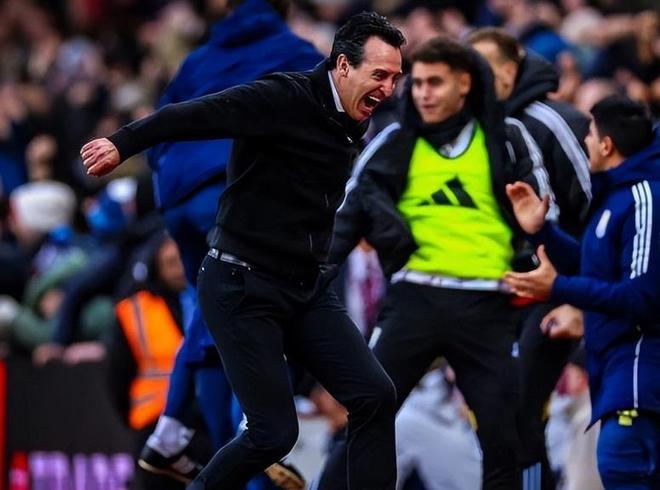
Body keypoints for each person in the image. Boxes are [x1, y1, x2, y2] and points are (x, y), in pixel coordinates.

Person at [80, 12, 406, 490]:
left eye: (396, 77)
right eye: (379, 75)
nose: (389, 89)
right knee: (273, 433)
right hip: (242, 284)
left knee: (375, 395)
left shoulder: (352, 118)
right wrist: (121, 143)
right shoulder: (283, 96)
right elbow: (195, 114)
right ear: (342, 65)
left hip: (304, 286)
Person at [318, 36, 539, 490]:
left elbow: (542, 215)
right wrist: (310, 279)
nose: (422, 93)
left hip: (487, 303)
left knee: (504, 436)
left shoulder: (506, 138)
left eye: (434, 82)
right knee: (368, 415)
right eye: (416, 83)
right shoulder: (396, 140)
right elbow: (348, 212)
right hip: (414, 297)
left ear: (464, 84)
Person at [137, 0, 322, 487]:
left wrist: (172, 184)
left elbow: (162, 120)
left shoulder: (199, 57)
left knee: (210, 310)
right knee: (263, 304)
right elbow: (323, 119)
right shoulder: (294, 50)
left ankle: (177, 434)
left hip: (178, 197)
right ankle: (248, 426)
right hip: (229, 191)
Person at [504, 95, 660, 489]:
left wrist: (557, 287)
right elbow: (592, 269)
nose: (585, 141)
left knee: (623, 469)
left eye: (590, 134)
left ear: (606, 145)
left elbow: (641, 297)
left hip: (639, 374)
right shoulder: (616, 196)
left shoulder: (644, 197)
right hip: (615, 373)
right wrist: (542, 232)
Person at [468, 27, 591, 487]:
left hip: (557, 287)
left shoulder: (552, 121)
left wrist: (579, 295)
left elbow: (596, 210)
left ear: (509, 71)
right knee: (495, 414)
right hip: (503, 290)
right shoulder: (470, 129)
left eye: (484, 67)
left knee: (519, 407)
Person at [107, 233, 187, 490]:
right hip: (153, 422)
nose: (180, 270)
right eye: (171, 262)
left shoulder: (203, 300)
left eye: (183, 260)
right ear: (155, 265)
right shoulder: (134, 309)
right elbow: (117, 375)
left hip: (200, 422)